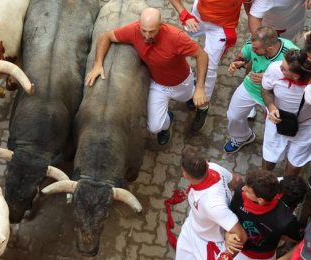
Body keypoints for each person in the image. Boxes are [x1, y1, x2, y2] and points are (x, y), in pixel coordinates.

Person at [85, 8, 209, 145]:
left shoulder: (177, 37)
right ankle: (167, 121)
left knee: (197, 98)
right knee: (154, 127)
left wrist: (200, 87)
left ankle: (200, 105)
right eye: (144, 30)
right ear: (139, 24)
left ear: (161, 25)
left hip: (180, 82)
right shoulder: (135, 30)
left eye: (152, 31)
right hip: (157, 84)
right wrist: (98, 64)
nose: (147, 35)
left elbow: (202, 55)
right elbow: (105, 36)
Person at [169, 0, 251, 119]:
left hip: (222, 27)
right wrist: (185, 16)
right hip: (199, 15)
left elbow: (252, 9)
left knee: (209, 67)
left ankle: (203, 105)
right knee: (190, 31)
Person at [171, 148, 248, 260]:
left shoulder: (213, 206)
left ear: (185, 175)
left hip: (210, 241)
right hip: (192, 228)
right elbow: (236, 180)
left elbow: (241, 235)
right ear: (207, 165)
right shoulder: (214, 168)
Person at [224, 26, 299, 153]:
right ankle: (243, 137)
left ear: (269, 48)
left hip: (275, 96)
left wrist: (268, 77)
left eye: (256, 49)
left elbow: (300, 78)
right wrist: (238, 61)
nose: (252, 49)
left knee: (277, 127)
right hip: (251, 86)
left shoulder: (291, 53)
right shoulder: (253, 43)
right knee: (233, 116)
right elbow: (244, 53)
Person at [222, 170, 304, 260]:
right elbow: (229, 216)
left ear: (260, 200)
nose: (243, 188)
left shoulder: (285, 219)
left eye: (248, 191)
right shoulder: (240, 192)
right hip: (234, 251)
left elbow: (305, 242)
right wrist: (227, 234)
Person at [261, 49, 311, 175]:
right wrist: (271, 106)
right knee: (269, 159)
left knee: (294, 167)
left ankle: (285, 190)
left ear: (296, 76)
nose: (280, 67)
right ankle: (265, 183)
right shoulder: (274, 69)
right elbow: (266, 89)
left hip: (305, 127)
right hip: (277, 120)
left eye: (284, 68)